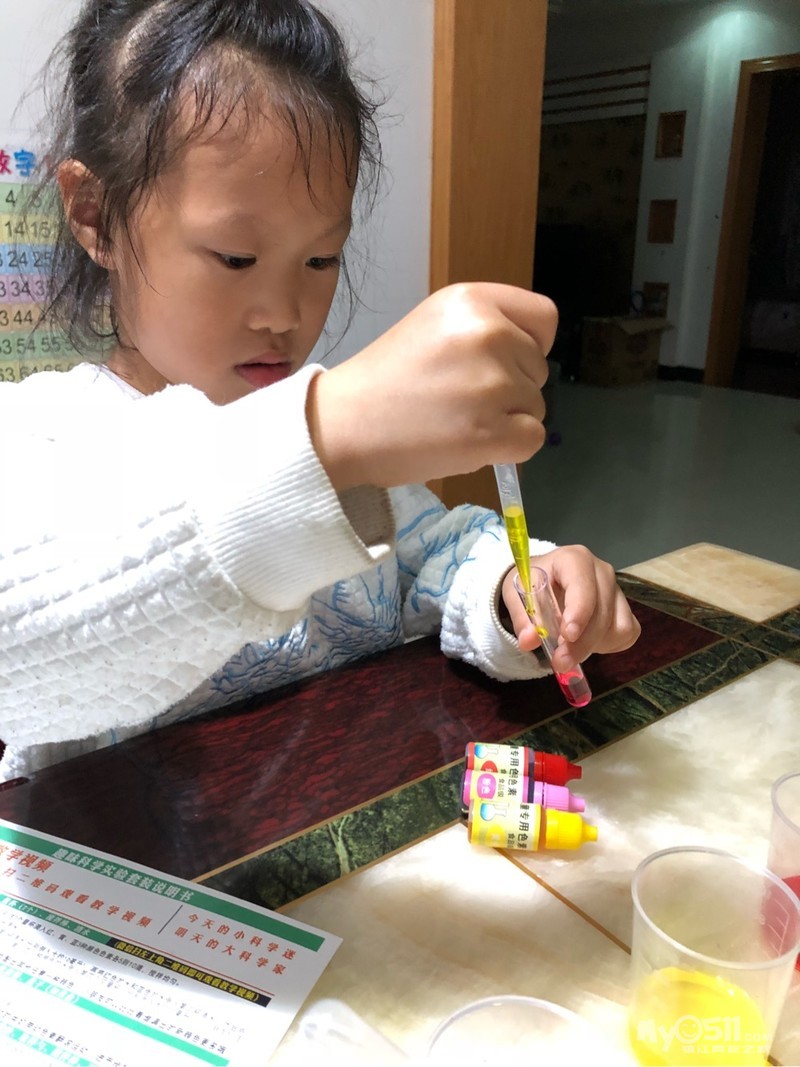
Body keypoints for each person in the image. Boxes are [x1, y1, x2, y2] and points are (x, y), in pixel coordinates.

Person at [0, 0, 640, 784]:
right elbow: (20, 645)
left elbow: (431, 557)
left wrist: (518, 586)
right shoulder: (40, 436)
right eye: (235, 258)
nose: (284, 314)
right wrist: (324, 434)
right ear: (95, 215)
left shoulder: (333, 426)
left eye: (320, 260)